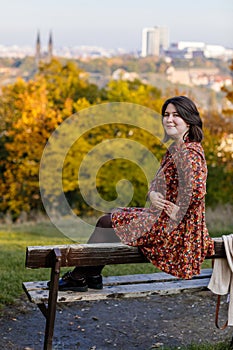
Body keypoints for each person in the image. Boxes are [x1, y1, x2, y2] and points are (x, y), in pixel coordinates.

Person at [53, 96, 215, 291]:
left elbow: (197, 190)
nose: (169, 119)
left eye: (176, 115)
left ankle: (79, 277)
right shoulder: (176, 149)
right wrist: (153, 194)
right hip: (166, 221)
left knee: (106, 222)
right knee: (113, 215)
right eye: (166, 115)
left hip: (178, 231)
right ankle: (92, 274)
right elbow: (157, 182)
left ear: (189, 121)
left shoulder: (189, 152)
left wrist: (178, 211)